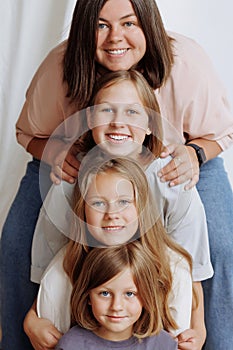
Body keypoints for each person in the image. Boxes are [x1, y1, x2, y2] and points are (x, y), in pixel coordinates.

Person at [0, 0, 232, 348]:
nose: (114, 38)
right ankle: (26, 336)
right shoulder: (62, 65)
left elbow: (222, 132)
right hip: (75, 162)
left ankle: (212, 340)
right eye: (101, 25)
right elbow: (27, 133)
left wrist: (196, 153)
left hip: (181, 157)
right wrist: (53, 153)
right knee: (16, 246)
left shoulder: (185, 61)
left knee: (222, 246)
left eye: (128, 23)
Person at [25, 70, 210, 350]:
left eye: (132, 113)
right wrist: (32, 320)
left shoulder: (172, 179)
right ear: (89, 120)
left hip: (150, 286)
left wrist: (198, 328)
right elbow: (51, 272)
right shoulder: (69, 181)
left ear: (151, 124)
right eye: (106, 111)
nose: (117, 123)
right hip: (89, 291)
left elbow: (190, 268)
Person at [25, 156, 193, 350]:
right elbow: (46, 302)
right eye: (98, 203)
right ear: (83, 212)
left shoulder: (172, 265)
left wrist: (198, 329)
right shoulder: (63, 266)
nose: (112, 214)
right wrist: (31, 322)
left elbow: (183, 321)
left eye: (123, 201)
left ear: (142, 208)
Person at [55, 242, 178, 350]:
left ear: (147, 297)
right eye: (105, 293)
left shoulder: (164, 344)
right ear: (88, 296)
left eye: (129, 294)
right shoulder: (71, 344)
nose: (116, 306)